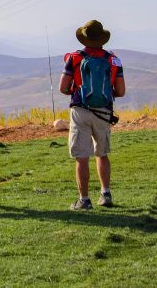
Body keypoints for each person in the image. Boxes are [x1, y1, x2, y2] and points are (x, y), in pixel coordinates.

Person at [59, 20, 126, 211]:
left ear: (84, 39)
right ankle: (105, 194)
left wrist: (76, 91)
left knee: (81, 157)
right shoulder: (114, 60)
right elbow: (120, 91)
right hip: (104, 111)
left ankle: (84, 200)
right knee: (102, 154)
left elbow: (63, 88)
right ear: (102, 39)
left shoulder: (74, 58)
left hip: (80, 111)